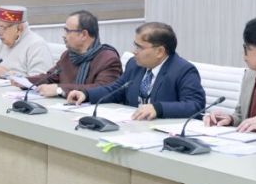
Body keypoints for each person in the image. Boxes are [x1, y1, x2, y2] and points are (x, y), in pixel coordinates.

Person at [66, 22, 206, 120]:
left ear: (159, 51)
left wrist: (158, 108)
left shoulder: (183, 70)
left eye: (140, 47)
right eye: (135, 46)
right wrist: (86, 94)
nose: (134, 51)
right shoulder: (135, 64)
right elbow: (115, 89)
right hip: (134, 127)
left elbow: (195, 105)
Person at [25, 10, 122, 98]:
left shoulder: (108, 59)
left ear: (84, 35)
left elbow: (102, 89)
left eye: (68, 31)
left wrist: (60, 89)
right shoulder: (68, 55)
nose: (64, 36)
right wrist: (24, 81)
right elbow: (49, 78)